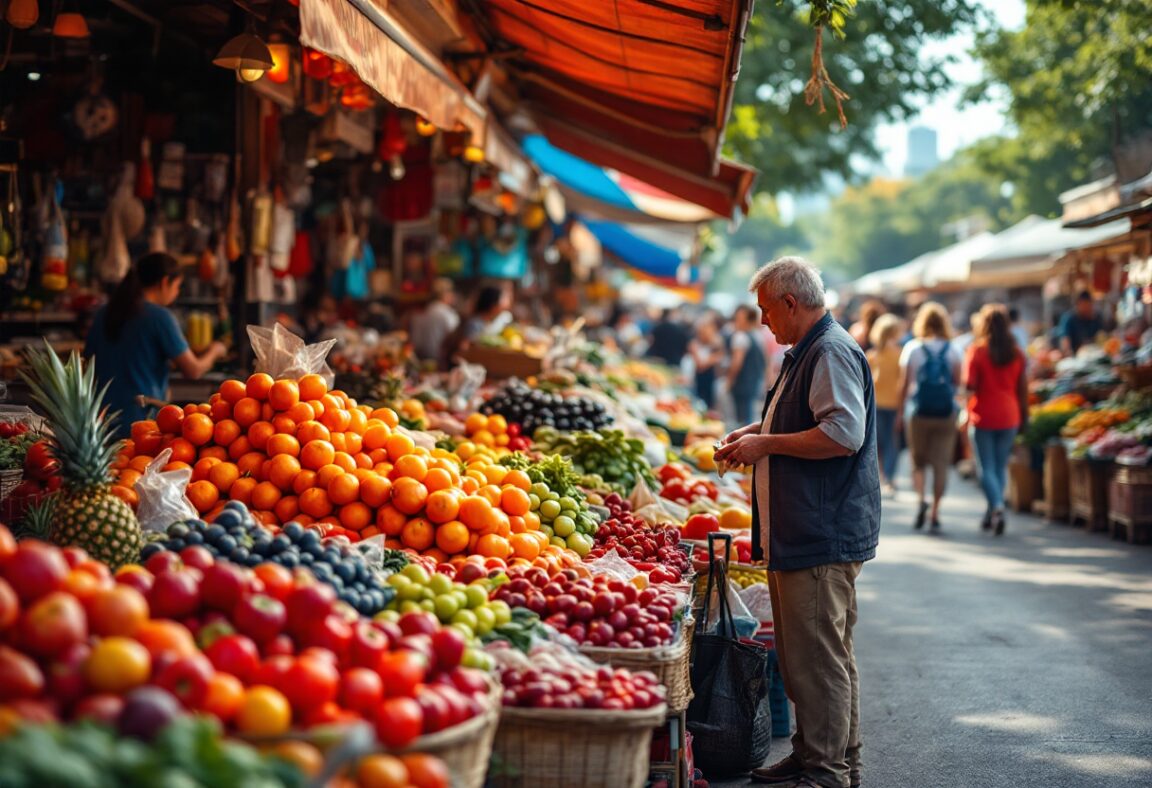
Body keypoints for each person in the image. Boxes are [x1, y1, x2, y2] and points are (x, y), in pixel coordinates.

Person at [714, 257, 879, 788]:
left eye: (766, 310)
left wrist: (766, 443)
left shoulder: (829, 351)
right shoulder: (807, 350)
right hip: (805, 528)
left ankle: (827, 771)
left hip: (821, 529)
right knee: (817, 657)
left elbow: (842, 434)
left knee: (818, 662)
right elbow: (800, 418)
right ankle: (821, 756)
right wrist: (753, 433)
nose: (763, 321)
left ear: (791, 303)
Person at [84, 252, 227, 439]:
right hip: (140, 423)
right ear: (165, 282)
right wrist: (215, 350)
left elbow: (90, 362)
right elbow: (193, 370)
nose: (176, 294)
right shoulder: (160, 317)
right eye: (177, 287)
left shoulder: (104, 313)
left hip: (101, 422)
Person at [897, 301, 962, 531]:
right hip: (945, 413)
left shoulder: (913, 348)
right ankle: (935, 510)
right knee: (941, 464)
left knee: (918, 462)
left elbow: (904, 385)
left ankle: (921, 499)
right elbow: (957, 383)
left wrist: (898, 413)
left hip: (919, 412)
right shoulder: (953, 349)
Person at [964, 304, 1028, 536]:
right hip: (1010, 415)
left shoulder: (977, 351)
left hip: (983, 415)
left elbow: (969, 386)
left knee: (985, 469)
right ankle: (993, 511)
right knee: (999, 467)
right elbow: (1022, 388)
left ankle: (997, 508)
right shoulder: (1017, 353)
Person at [867, 313, 904, 495]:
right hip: (894, 405)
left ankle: (882, 475)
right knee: (891, 443)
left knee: (879, 443)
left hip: (875, 405)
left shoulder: (872, 355)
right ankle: (889, 477)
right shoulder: (900, 354)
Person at [726, 305, 768, 427]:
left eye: (739, 318)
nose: (736, 321)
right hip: (754, 381)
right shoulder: (758, 335)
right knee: (749, 415)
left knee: (741, 418)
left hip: (741, 383)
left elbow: (736, 363)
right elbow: (765, 359)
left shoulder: (740, 336)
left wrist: (729, 381)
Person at [409, 277, 460, 369]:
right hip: (440, 362)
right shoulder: (447, 314)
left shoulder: (422, 313)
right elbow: (455, 340)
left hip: (420, 360)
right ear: (446, 294)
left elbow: (415, 342)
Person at [688, 312, 724, 410]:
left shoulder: (716, 345)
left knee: (709, 407)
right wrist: (713, 359)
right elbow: (700, 365)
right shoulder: (694, 344)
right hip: (698, 382)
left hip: (711, 383)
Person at [1057, 291, 1103, 355]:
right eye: (1084, 305)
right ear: (1078, 304)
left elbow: (1101, 337)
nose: (1087, 308)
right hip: (1075, 357)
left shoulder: (1095, 318)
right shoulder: (1069, 318)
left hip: (1093, 355)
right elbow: (1065, 342)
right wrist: (1068, 353)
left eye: (1089, 305)